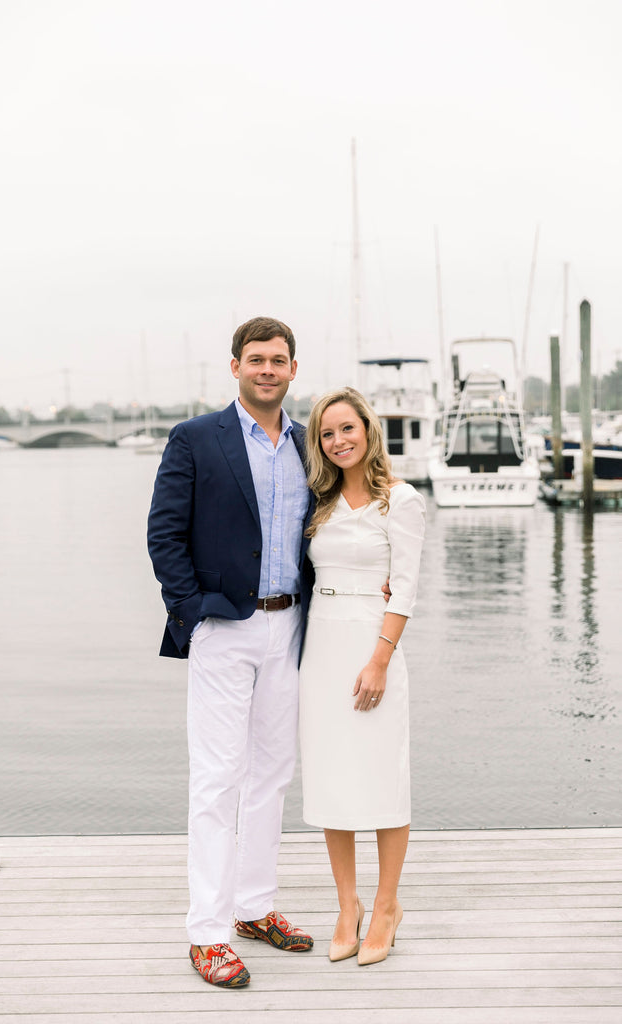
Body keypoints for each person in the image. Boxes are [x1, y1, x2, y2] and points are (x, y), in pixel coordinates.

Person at [147, 316, 315, 989]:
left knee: (272, 774)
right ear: (235, 366)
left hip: (291, 628)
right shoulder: (195, 439)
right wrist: (194, 614)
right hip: (224, 626)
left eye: (278, 359)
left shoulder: (309, 444)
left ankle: (254, 909)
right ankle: (207, 933)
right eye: (255, 359)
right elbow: (164, 536)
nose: (267, 369)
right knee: (217, 781)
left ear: (293, 369)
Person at [299, 386, 425, 966]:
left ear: (368, 431)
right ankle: (345, 906)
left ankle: (386, 905)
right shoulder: (316, 503)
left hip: (372, 646)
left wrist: (379, 659)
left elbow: (405, 585)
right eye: (327, 433)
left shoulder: (399, 500)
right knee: (331, 781)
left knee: (381, 778)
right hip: (321, 647)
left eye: (347, 428)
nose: (338, 440)